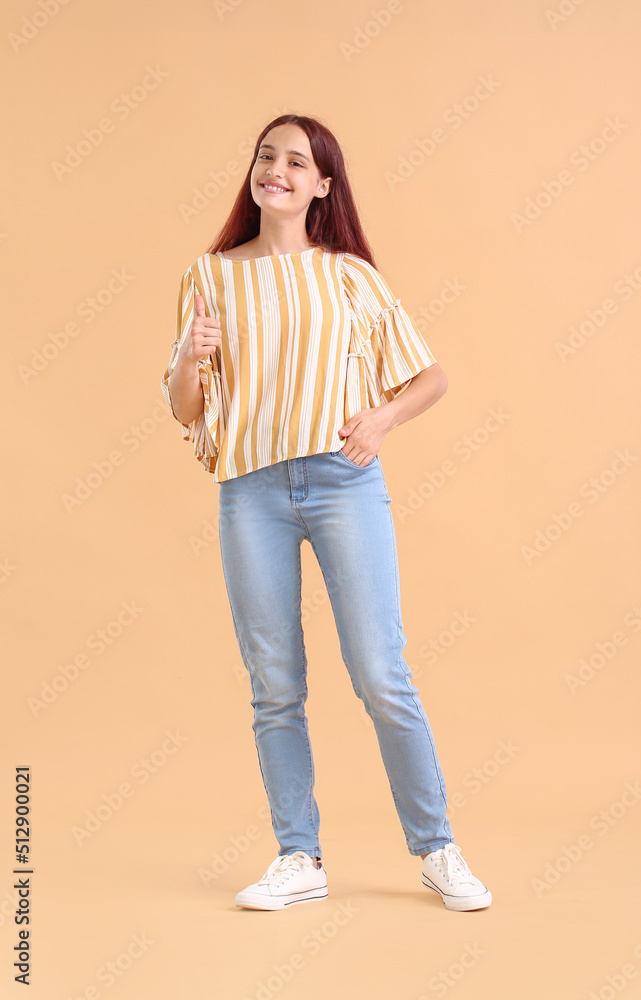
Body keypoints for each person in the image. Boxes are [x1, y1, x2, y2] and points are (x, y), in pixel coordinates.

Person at [161, 113, 492, 913]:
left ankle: (437, 847)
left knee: (381, 673)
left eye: (296, 161)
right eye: (265, 155)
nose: (275, 168)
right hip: (250, 490)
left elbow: (428, 377)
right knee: (274, 683)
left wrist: (376, 421)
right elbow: (183, 410)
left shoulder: (348, 275)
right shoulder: (209, 276)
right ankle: (297, 857)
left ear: (320, 186)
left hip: (342, 485)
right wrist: (188, 358)